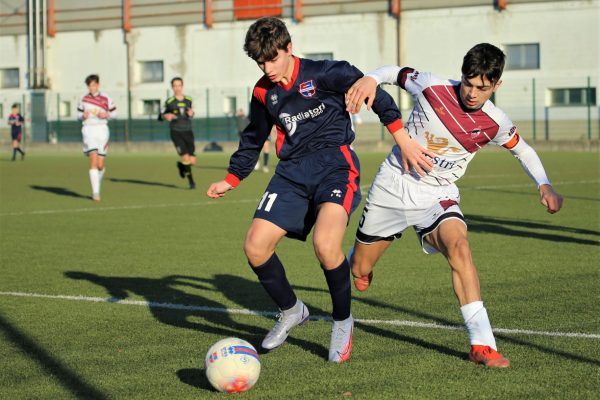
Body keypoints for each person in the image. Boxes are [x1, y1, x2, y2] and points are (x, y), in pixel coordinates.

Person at [206, 17, 429, 363]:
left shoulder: (327, 73)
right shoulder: (264, 91)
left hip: (335, 167)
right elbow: (253, 138)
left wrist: (404, 142)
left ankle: (342, 320)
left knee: (326, 246)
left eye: (272, 59)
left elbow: (378, 97)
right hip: (291, 174)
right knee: (255, 247)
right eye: (260, 63)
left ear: (289, 48)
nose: (268, 69)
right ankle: (292, 310)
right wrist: (232, 178)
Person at [344, 43, 564, 368]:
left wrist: (544, 184)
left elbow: (523, 150)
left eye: (483, 88)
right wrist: (373, 79)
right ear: (461, 76)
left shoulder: (496, 122)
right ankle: (365, 261)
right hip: (394, 186)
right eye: (468, 84)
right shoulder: (432, 86)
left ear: (496, 85)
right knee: (359, 271)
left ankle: (482, 344)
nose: (473, 93)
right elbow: (396, 73)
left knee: (460, 246)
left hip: (438, 194)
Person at [77, 74, 117, 202]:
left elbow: (115, 113)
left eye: (94, 85)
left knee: (100, 165)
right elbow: (78, 115)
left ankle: (97, 182)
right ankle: (95, 193)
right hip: (89, 130)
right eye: (89, 85)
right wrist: (82, 116)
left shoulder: (106, 98)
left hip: (102, 130)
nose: (92, 87)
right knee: (93, 160)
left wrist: (106, 114)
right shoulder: (83, 99)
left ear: (98, 85)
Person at [160, 77, 197, 189]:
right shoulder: (169, 102)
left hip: (188, 131)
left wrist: (192, 113)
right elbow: (160, 116)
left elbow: (191, 113)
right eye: (175, 86)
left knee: (192, 161)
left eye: (179, 85)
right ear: (172, 87)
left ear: (182, 86)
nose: (177, 88)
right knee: (185, 158)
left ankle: (181, 166)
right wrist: (166, 116)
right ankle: (191, 182)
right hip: (176, 132)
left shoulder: (189, 100)